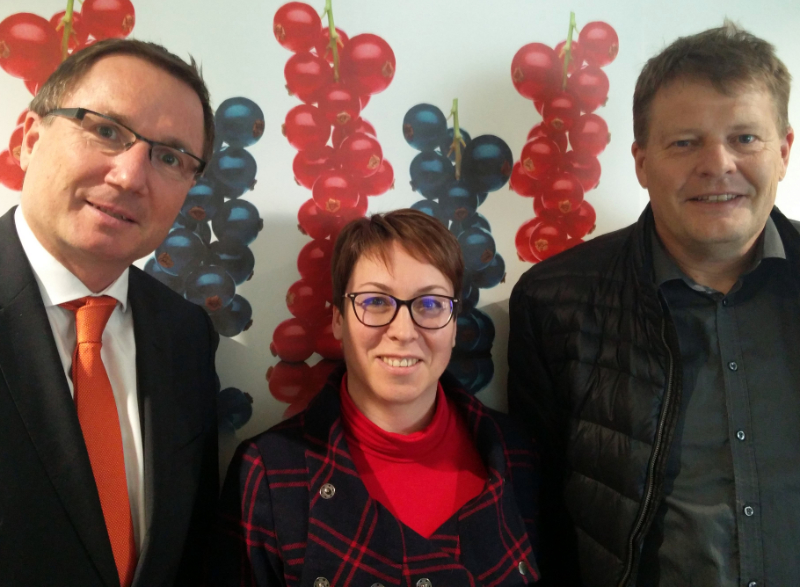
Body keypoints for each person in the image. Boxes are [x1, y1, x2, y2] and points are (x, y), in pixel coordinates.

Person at [508, 22, 795, 587]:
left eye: (745, 138)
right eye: (684, 142)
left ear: (784, 150)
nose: (718, 164)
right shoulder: (553, 304)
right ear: (641, 161)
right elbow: (537, 518)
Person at [211, 209, 540, 586]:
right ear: (338, 320)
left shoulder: (517, 453)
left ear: (454, 326)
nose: (403, 331)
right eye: (376, 302)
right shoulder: (269, 473)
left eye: (430, 305)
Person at [0, 39, 219, 586]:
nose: (129, 176)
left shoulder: (187, 335)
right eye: (105, 131)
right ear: (28, 139)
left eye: (169, 156)